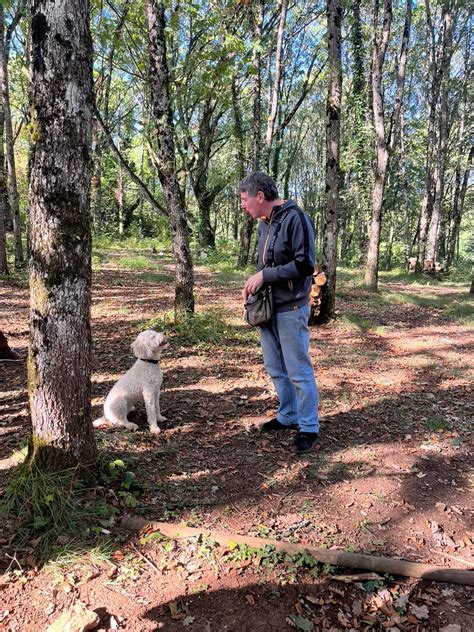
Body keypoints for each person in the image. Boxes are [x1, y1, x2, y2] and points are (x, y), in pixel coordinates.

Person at [240, 172, 319, 455]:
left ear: (260, 197)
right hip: (268, 308)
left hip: (291, 307)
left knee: (298, 370)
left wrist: (265, 275)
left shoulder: (296, 218)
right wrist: (254, 282)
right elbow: (268, 267)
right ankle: (288, 416)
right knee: (275, 368)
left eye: (245, 199)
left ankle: (309, 427)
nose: (243, 206)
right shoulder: (265, 225)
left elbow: (304, 265)